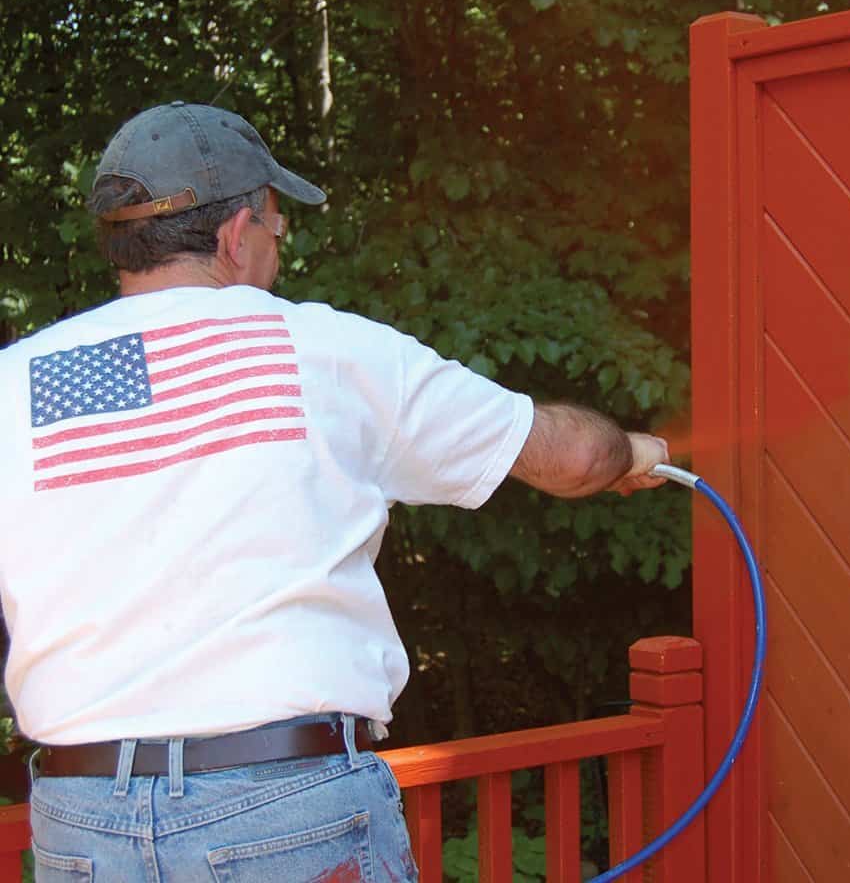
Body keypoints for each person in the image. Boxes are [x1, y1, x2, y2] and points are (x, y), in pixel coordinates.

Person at [0, 102, 669, 881]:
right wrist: (634, 451)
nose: (276, 253)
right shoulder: (318, 348)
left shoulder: (19, 383)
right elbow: (573, 456)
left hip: (80, 825)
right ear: (234, 235)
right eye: (277, 231)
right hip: (281, 813)